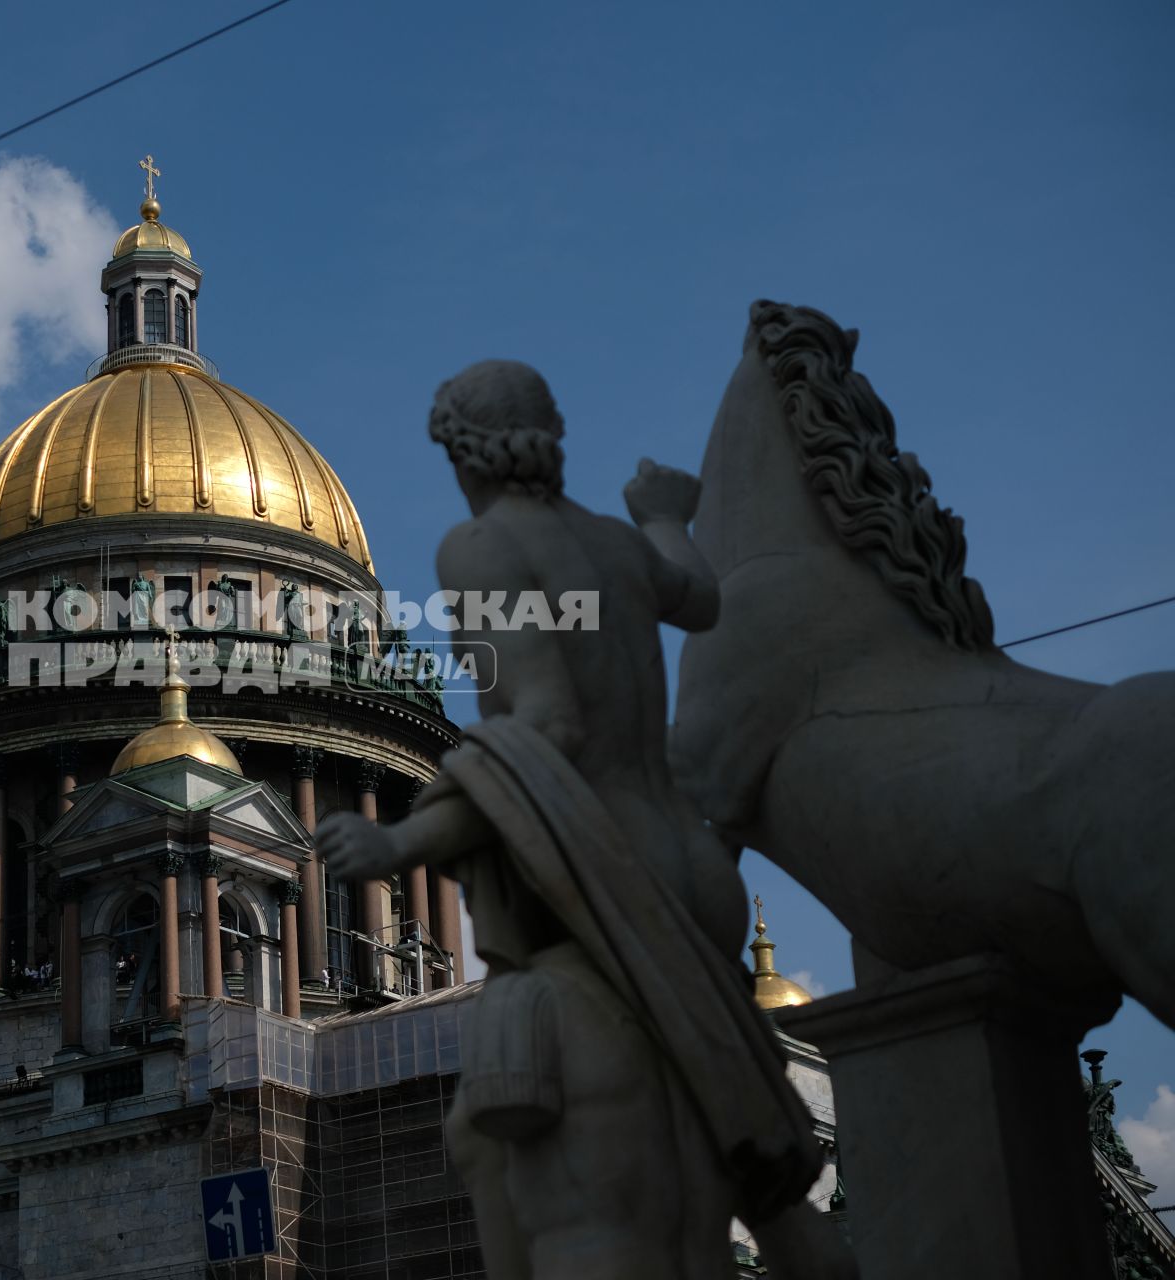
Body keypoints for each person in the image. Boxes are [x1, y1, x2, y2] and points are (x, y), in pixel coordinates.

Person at [316, 361, 847, 1280]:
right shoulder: (612, 543)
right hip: (692, 869)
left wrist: (402, 840)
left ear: (461, 452)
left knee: (508, 1154)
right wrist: (660, 513)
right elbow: (701, 596)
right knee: (714, 1120)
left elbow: (545, 728)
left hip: (598, 874)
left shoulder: (478, 548)